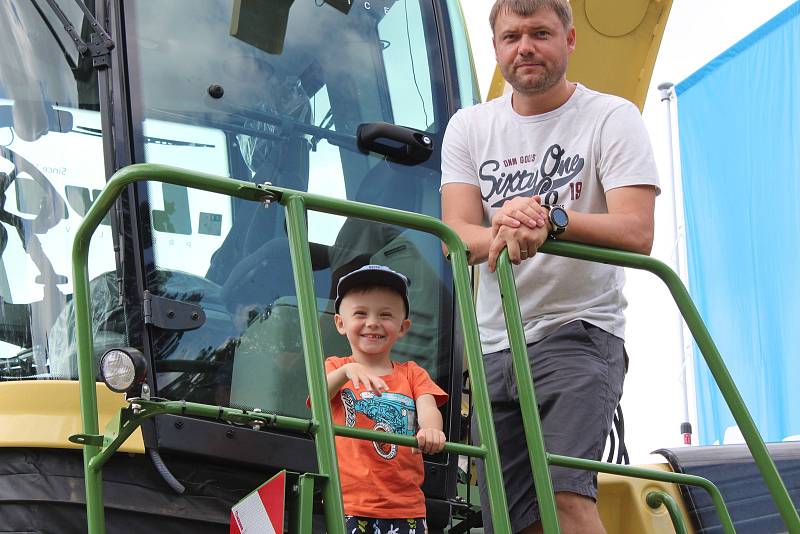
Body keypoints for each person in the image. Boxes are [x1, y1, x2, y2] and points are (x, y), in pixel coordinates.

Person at [440, 0, 660, 533]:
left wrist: (550, 221)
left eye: (540, 33)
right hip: (495, 344)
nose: (526, 48)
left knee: (564, 493)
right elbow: (458, 237)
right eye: (512, 37)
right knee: (510, 521)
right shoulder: (469, 127)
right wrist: (509, 227)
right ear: (496, 49)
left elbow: (637, 231)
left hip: (579, 332)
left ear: (570, 39)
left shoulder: (610, 116)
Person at [324, 264, 449, 534]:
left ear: (403, 327)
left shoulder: (413, 373)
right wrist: (346, 372)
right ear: (340, 323)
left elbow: (428, 407)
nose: (372, 322)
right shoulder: (335, 367)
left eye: (385, 315)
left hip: (407, 507)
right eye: (361, 313)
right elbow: (319, 395)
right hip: (351, 504)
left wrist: (431, 430)